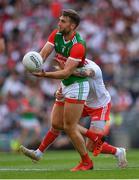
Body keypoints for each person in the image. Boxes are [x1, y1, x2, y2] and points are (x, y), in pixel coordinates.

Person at [20, 9, 105, 172]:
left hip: (77, 85)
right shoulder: (56, 34)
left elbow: (66, 71)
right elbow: (43, 54)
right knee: (56, 123)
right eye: (59, 20)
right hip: (65, 84)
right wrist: (36, 63)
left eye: (63, 21)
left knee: (69, 126)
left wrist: (44, 75)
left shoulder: (78, 45)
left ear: (72, 26)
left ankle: (87, 162)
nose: (59, 23)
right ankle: (39, 153)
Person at [20, 59, 128, 169]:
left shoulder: (92, 68)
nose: (62, 63)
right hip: (84, 102)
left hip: (100, 106)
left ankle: (118, 152)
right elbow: (64, 86)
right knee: (58, 122)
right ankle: (39, 152)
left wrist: (62, 71)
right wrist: (57, 93)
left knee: (90, 146)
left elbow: (86, 73)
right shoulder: (71, 66)